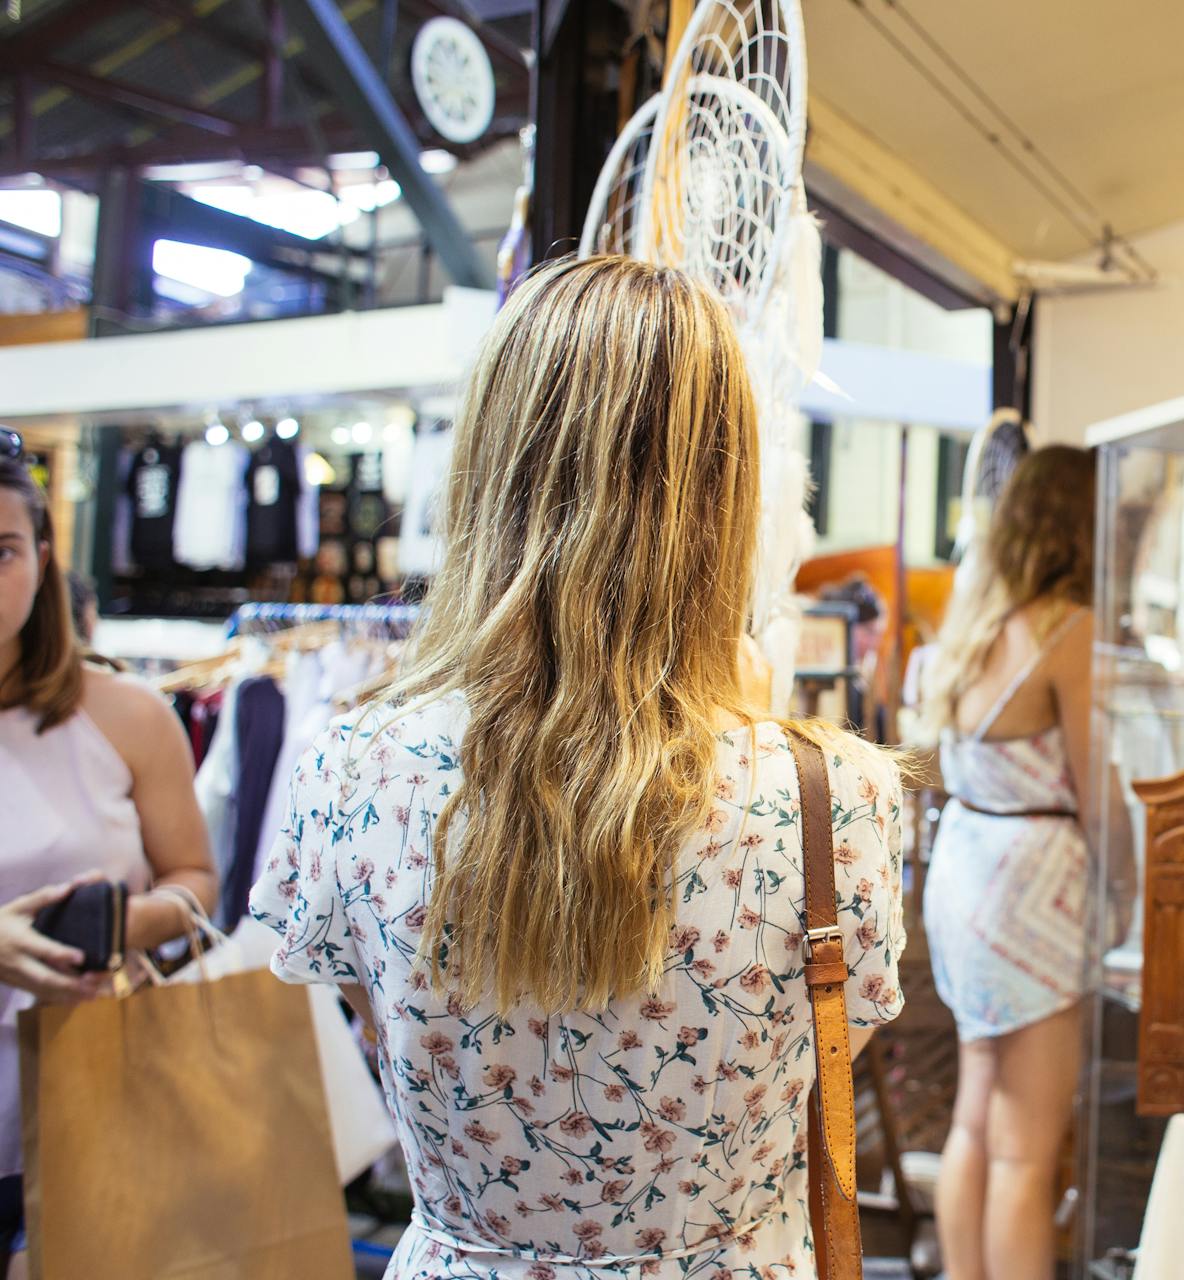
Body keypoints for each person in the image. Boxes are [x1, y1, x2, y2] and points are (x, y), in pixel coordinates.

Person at [249, 258, 906, 1280]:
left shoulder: (354, 771)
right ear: (725, 492)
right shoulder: (837, 800)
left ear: (490, 461)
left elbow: (379, 1018)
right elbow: (806, 1076)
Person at [0, 435, 217, 1273]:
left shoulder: (127, 715)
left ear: (43, 557)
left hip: (100, 1100)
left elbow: (197, 883)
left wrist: (117, 922)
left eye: (4, 550)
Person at [917, 445, 1119, 1280]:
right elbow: (1095, 788)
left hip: (965, 870)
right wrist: (1129, 888)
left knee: (974, 1121)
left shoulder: (973, 624)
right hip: (1034, 888)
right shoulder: (1070, 629)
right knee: (1027, 1149)